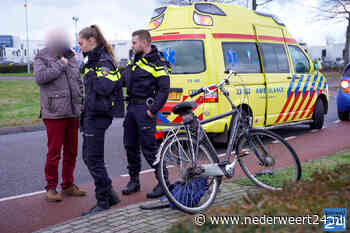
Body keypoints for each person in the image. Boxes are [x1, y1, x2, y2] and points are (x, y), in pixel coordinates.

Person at [34, 28, 86, 202]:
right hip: (54, 112)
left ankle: (68, 184)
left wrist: (81, 103)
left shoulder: (71, 57)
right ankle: (50, 187)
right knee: (54, 152)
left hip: (72, 112)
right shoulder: (42, 56)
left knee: (71, 151)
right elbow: (40, 77)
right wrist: (59, 64)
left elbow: (78, 81)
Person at [78, 25, 124, 215]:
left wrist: (89, 72)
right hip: (92, 114)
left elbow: (105, 87)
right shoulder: (93, 59)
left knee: (93, 158)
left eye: (80, 43)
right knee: (88, 157)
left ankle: (103, 201)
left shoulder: (103, 61)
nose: (79, 47)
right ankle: (110, 194)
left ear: (91, 41)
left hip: (98, 115)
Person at [122, 29, 170, 198]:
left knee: (149, 148)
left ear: (145, 43)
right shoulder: (134, 59)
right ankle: (134, 181)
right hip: (132, 109)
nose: (132, 45)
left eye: (134, 42)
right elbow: (126, 78)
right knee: (130, 146)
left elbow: (164, 89)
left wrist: (152, 111)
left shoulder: (158, 62)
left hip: (145, 110)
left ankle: (164, 183)